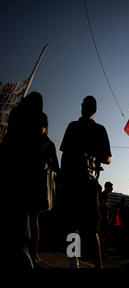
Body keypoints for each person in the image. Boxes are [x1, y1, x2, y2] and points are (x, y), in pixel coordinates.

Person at [59, 96, 112, 268]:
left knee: (91, 229)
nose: (85, 107)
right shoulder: (72, 126)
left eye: (88, 105)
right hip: (71, 181)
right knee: (72, 226)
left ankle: (98, 266)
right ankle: (73, 261)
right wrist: (62, 177)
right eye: (84, 104)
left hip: (89, 183)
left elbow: (108, 158)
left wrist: (95, 155)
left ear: (93, 108)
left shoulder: (99, 129)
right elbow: (65, 154)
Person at [1, 91, 44, 268]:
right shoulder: (34, 135)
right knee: (21, 230)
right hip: (24, 185)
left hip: (16, 183)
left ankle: (29, 258)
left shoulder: (14, 132)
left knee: (19, 230)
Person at [29, 112, 60, 265]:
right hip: (28, 183)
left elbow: (57, 167)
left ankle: (34, 254)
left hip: (39, 186)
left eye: (39, 125)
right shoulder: (30, 142)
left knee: (34, 219)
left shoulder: (49, 145)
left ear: (45, 126)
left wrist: (45, 159)